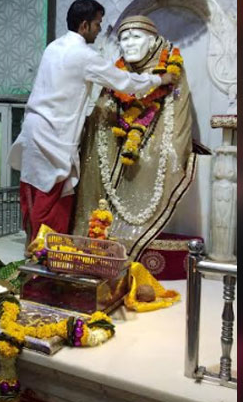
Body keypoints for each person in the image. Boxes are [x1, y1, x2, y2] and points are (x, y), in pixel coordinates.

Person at [9, 0, 176, 242]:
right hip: (54, 136)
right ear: (85, 25)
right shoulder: (84, 55)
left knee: (34, 194)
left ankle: (35, 253)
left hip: (33, 132)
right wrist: (160, 80)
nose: (100, 30)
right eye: (98, 24)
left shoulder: (53, 47)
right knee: (50, 204)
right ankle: (45, 263)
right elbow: (124, 82)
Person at [73, 15, 196, 261]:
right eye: (124, 38)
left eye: (136, 37)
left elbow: (178, 121)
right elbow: (101, 114)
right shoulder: (117, 72)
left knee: (156, 159)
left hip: (151, 144)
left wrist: (148, 144)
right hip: (115, 146)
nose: (128, 44)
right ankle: (97, 232)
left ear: (153, 43)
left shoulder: (171, 71)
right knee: (94, 158)